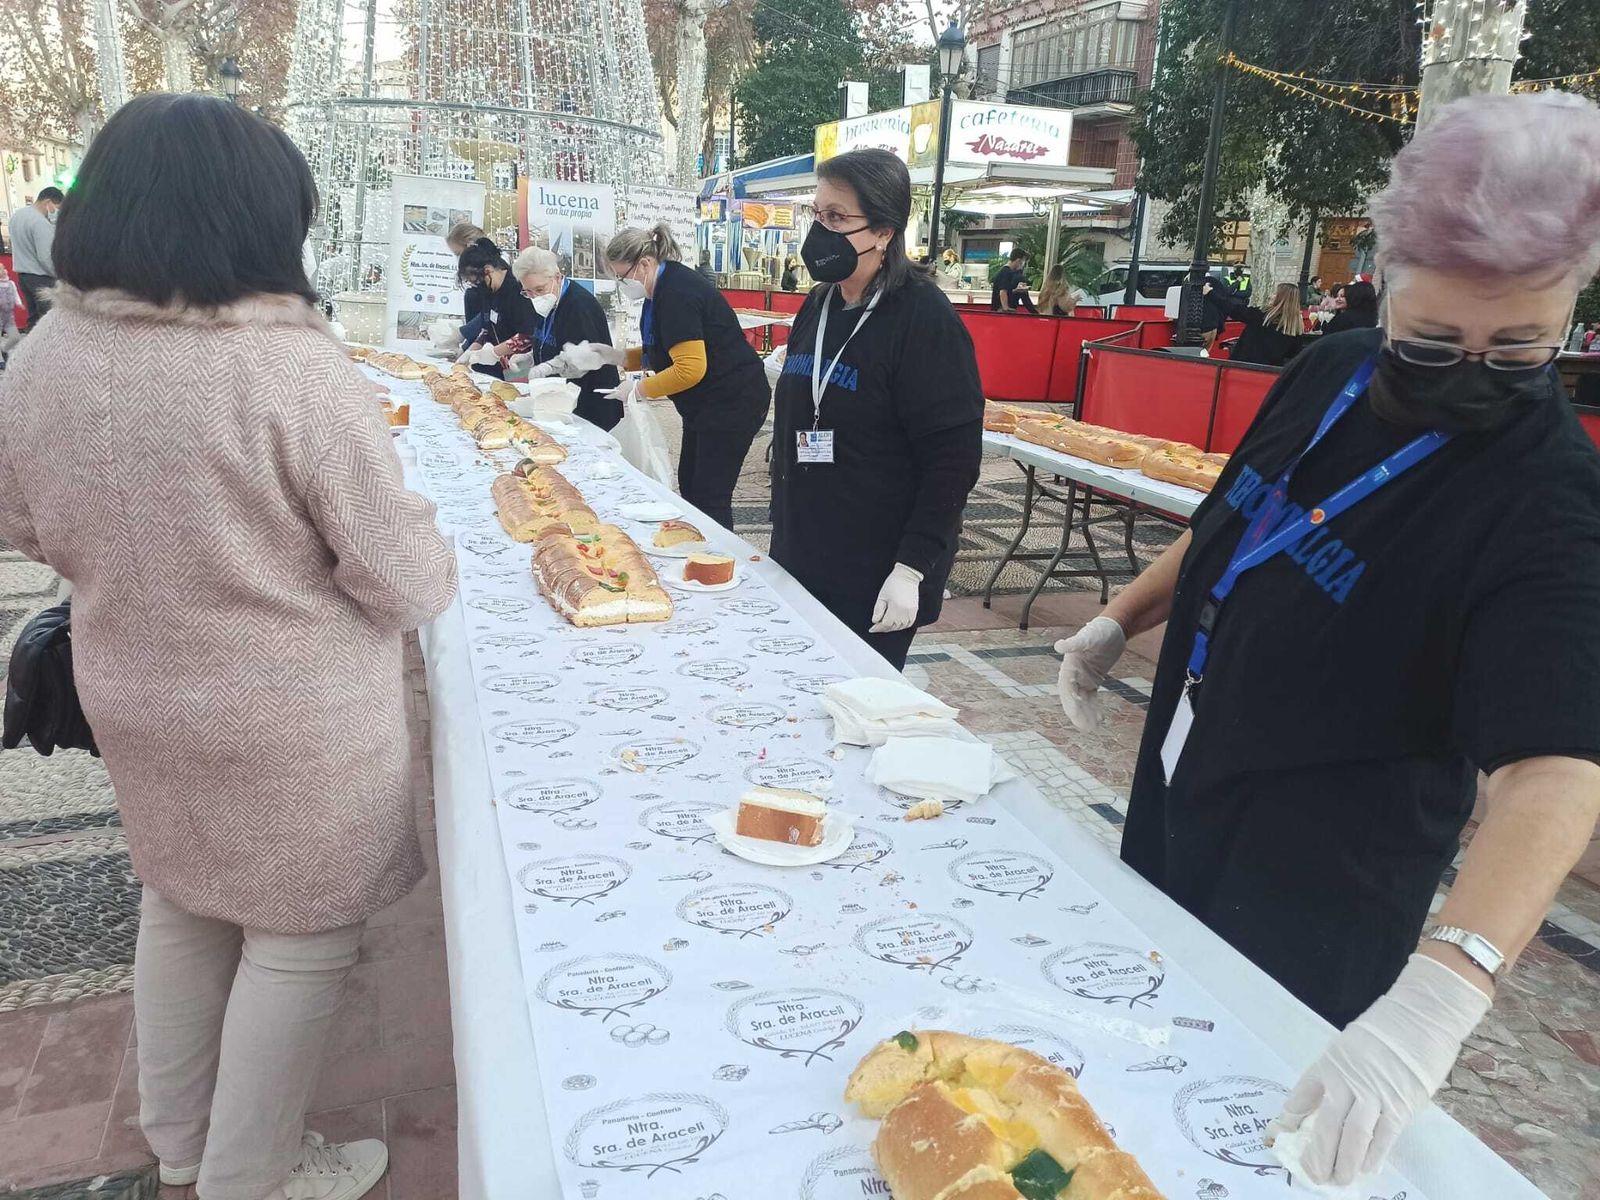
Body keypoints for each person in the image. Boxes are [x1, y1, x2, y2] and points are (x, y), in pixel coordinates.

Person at [1054, 90, 1600, 1190]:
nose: (1471, 377)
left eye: (1520, 349)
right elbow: (1237, 518)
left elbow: (1554, 769)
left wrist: (1446, 989)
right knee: (1135, 1044)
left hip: (1323, 868)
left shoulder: (1550, 499)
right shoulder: (1329, 371)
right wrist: (1122, 617)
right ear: (1386, 282)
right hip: (1186, 771)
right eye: (1433, 343)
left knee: (1235, 1125)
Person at [0, 94, 457, 1200]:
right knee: (299, 940)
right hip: (290, 717)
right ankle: (251, 1174)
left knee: (183, 901)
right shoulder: (285, 367)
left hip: (134, 694)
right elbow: (403, 581)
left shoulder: (47, 351)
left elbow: (24, 526)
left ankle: (181, 1144)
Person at [769, 149, 982, 670]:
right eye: (817, 214)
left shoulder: (923, 318)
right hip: (802, 549)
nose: (820, 231)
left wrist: (912, 568)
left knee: (851, 701)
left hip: (876, 569)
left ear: (884, 231)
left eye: (837, 217)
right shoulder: (820, 303)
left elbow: (953, 460)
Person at [599, 223, 769, 530]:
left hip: (733, 400)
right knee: (689, 484)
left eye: (622, 277)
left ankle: (716, 554)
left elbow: (690, 368)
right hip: (705, 403)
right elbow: (664, 349)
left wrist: (639, 389)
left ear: (645, 264)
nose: (621, 285)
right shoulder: (659, 290)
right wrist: (617, 357)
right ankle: (696, 544)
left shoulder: (677, 293)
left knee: (709, 494)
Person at [508, 246, 623, 430]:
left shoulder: (579, 305)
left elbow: (583, 361)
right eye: (527, 291)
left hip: (590, 405)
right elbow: (549, 339)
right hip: (559, 402)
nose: (534, 296)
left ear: (557, 277)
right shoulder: (545, 302)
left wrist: (548, 367)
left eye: (539, 289)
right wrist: (530, 357)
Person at [458, 239, 535, 377]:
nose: (478, 287)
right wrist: (471, 351)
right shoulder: (488, 292)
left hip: (521, 367)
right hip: (499, 367)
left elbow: (527, 335)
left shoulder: (517, 290)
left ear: (487, 271)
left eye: (477, 282)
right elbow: (486, 328)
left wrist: (494, 353)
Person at [1210, 280, 1307, 366]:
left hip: (1244, 366)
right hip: (1271, 372)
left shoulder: (1261, 316)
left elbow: (1233, 309)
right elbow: (1294, 355)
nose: (1271, 296)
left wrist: (1210, 293)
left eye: (1275, 294)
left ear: (1281, 298)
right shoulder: (1295, 327)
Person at [9, 185, 63, 327]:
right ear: (48, 202)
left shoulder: (17, 216)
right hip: (41, 278)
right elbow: (46, 257)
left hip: (23, 276)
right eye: (56, 207)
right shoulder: (40, 223)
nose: (55, 212)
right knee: (49, 321)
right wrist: (59, 275)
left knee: (33, 319)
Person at [445, 222, 490, 349]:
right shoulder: (474, 291)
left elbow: (492, 313)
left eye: (458, 254)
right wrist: (466, 348)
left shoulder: (496, 278)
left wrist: (463, 333)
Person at [990, 248, 1037, 313]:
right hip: (1000, 310)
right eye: (1023, 261)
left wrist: (1016, 290)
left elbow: (1006, 290)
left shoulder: (1006, 271)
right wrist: (1006, 308)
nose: (1023, 264)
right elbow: (1003, 291)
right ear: (1018, 260)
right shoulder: (1006, 272)